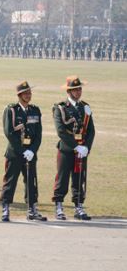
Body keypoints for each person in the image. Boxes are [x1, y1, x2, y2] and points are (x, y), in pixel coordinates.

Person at [0, 81, 46, 222]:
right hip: (15, 153)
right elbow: (9, 133)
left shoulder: (35, 110)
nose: (29, 95)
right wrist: (22, 151)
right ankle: (6, 208)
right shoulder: (11, 110)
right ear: (19, 95)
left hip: (30, 153)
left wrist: (32, 150)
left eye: (30, 93)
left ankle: (32, 209)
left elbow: (38, 134)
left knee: (31, 182)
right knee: (10, 181)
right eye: (26, 93)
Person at [52, 76, 95, 221]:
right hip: (67, 149)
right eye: (75, 89)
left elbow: (91, 131)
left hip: (82, 150)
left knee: (79, 179)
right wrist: (76, 146)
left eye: (80, 89)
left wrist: (86, 147)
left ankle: (78, 206)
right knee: (62, 179)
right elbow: (61, 131)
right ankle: (59, 206)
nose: (78, 92)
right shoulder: (61, 107)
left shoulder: (85, 107)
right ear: (69, 91)